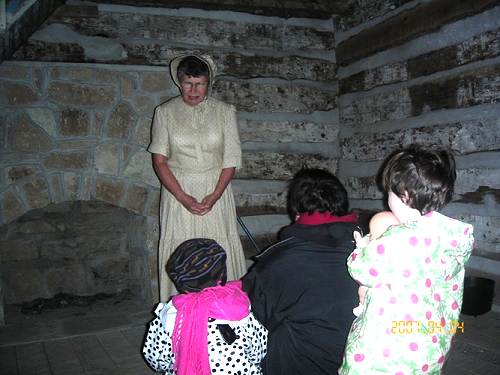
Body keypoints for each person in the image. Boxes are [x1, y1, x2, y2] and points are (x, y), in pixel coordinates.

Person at [339, 145, 474, 374]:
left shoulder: (399, 240)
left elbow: (361, 268)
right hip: (430, 344)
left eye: (389, 193)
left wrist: (367, 242)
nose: (386, 199)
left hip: (389, 351)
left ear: (404, 195)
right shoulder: (451, 237)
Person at [148, 54, 247, 301]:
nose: (193, 90)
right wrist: (182, 197)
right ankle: (179, 311)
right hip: (177, 191)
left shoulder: (224, 112)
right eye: (188, 83)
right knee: (180, 245)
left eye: (199, 83)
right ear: (179, 82)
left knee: (218, 244)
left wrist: (214, 196)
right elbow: (159, 161)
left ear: (208, 83)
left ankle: (225, 308)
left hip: (216, 189)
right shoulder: (164, 113)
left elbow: (231, 159)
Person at [242, 168, 359, 374]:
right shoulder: (370, 251)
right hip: (363, 363)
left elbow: (250, 323)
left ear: (296, 211)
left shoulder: (274, 264)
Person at [142, 238, 267, 375]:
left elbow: (156, 359)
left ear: (181, 283)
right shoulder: (239, 307)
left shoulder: (171, 315)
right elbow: (258, 351)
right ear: (222, 275)